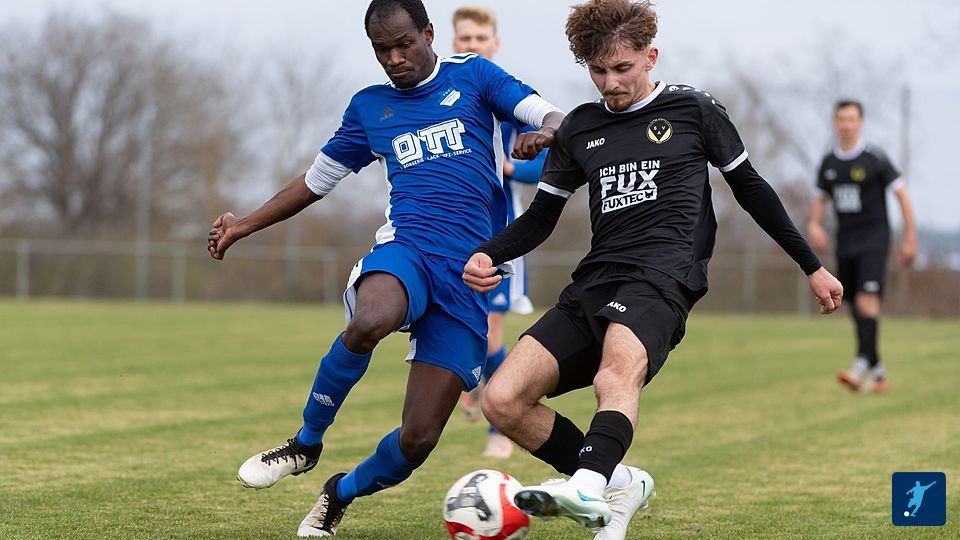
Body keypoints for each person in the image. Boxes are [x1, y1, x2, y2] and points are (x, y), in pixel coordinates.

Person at [461, 1, 844, 538]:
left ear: (650, 56)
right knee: (502, 399)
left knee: (615, 372)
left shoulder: (694, 109)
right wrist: (488, 253)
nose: (611, 83)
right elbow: (542, 217)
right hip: (596, 278)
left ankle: (587, 486)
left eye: (623, 68)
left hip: (666, 274)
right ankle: (619, 484)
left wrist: (812, 266)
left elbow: (751, 189)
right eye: (599, 71)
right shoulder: (580, 127)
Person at [207, 0, 563, 536]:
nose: (394, 58)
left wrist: (548, 132)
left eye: (403, 44)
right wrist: (244, 225)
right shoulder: (369, 107)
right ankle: (305, 444)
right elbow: (315, 182)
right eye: (382, 50)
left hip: (469, 275)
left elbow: (549, 113)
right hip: (407, 249)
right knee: (371, 318)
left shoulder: (475, 76)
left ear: (428, 33)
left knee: (418, 438)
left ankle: (339, 492)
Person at [451, 5, 548, 459]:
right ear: (453, 42)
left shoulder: (510, 98)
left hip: (499, 233)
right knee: (452, 325)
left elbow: (545, 162)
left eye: (480, 39)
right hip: (449, 230)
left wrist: (509, 167)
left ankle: (499, 424)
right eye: (465, 38)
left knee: (490, 330)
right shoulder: (443, 94)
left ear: (495, 44)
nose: (472, 45)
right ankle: (471, 380)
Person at [807, 100, 917, 393]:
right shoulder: (829, 163)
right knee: (855, 304)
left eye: (851, 119)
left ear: (860, 123)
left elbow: (902, 195)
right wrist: (814, 224)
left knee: (868, 301)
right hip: (846, 242)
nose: (846, 124)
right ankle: (878, 371)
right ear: (835, 123)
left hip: (874, 240)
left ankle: (859, 367)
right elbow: (819, 198)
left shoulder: (875, 158)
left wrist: (910, 238)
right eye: (841, 119)